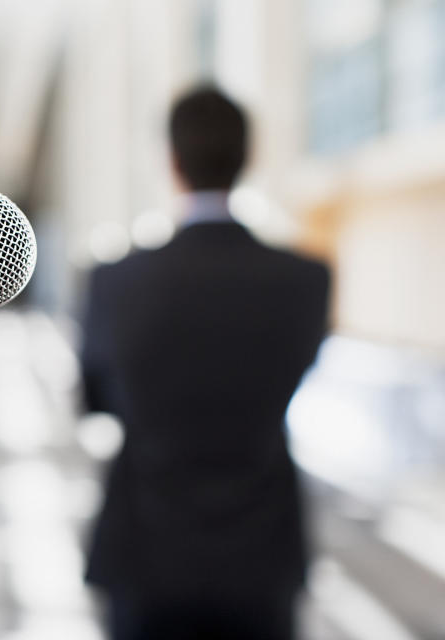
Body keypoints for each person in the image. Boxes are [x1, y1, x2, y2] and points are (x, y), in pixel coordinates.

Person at [79, 86, 330, 640]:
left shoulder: (114, 283)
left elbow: (95, 401)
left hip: (146, 550)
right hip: (260, 555)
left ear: (170, 161)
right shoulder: (307, 281)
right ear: (248, 159)